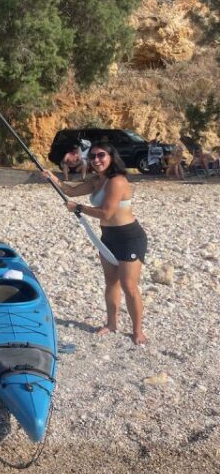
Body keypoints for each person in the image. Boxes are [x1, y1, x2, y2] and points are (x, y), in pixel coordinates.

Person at [42, 142, 148, 345]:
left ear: (111, 157)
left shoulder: (117, 181)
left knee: (129, 286)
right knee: (111, 283)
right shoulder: (96, 180)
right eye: (92, 157)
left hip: (129, 238)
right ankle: (111, 323)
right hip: (108, 237)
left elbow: (106, 212)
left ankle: (138, 331)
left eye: (101, 155)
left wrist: (78, 208)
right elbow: (70, 191)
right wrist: (52, 178)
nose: (96, 160)